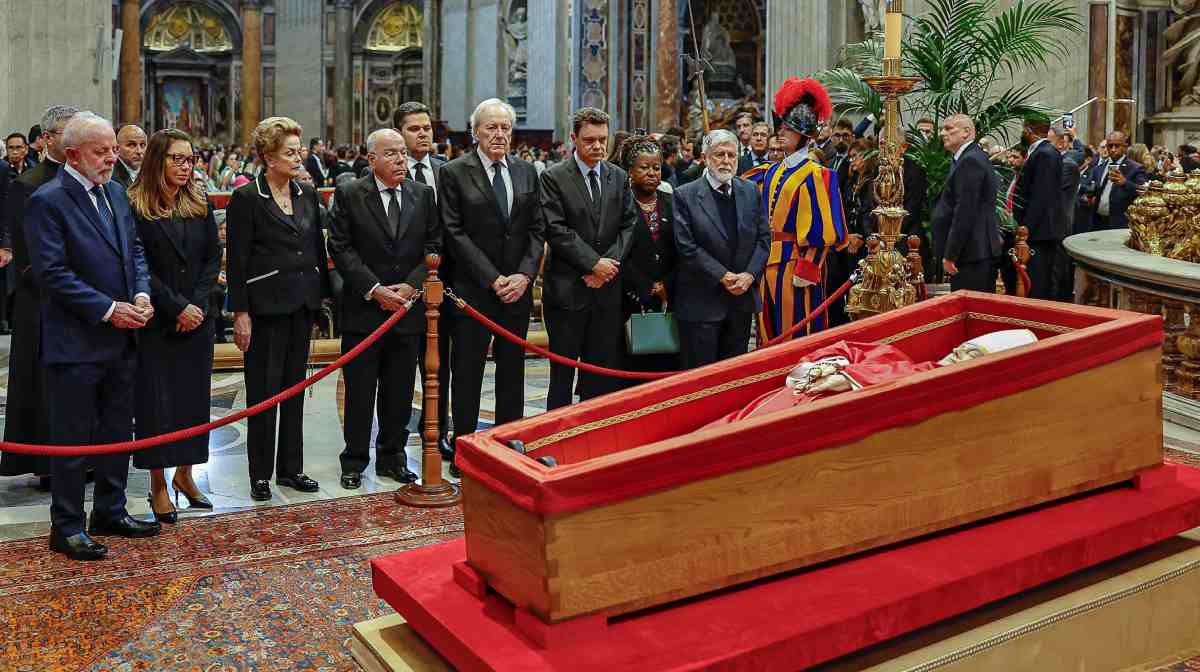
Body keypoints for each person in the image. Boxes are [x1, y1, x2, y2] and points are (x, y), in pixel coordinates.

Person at [26, 111, 159, 560]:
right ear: (72, 154)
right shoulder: (48, 200)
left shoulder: (118, 193)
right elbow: (52, 274)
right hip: (76, 341)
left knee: (117, 429)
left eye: (113, 150)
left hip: (123, 338)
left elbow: (135, 251)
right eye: (101, 152)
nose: (111, 158)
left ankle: (110, 509)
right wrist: (108, 310)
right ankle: (66, 525)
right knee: (73, 439)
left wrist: (140, 294)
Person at [327, 128, 438, 489]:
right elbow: (341, 248)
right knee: (360, 392)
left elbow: (435, 244)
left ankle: (393, 457)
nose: (400, 160)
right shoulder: (350, 194)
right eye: (391, 154)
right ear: (371, 159)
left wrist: (413, 284)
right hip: (365, 310)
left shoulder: (422, 195)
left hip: (407, 309)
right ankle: (355, 460)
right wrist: (374, 289)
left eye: (403, 153)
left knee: (400, 390)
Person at [226, 117, 330, 502]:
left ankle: (291, 468)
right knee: (264, 394)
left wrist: (320, 300)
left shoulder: (306, 193)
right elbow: (236, 261)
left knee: (295, 391)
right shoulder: (248, 198)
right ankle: (260, 473)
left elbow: (316, 250)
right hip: (265, 307)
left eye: (299, 149)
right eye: (290, 151)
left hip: (301, 304)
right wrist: (240, 313)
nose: (298, 156)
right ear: (268, 157)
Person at [441, 99, 545, 472]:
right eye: (491, 128)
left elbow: (537, 229)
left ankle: (507, 442)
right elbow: (454, 233)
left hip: (516, 291)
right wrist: (492, 277)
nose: (499, 134)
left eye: (505, 128)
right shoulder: (454, 172)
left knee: (512, 370)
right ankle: (465, 447)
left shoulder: (527, 172)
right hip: (472, 292)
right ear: (475, 132)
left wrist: (523, 276)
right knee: (467, 371)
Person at [126, 128, 222, 522]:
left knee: (193, 402)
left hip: (198, 320)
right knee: (157, 406)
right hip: (158, 321)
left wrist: (197, 306)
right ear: (157, 161)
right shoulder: (135, 204)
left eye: (189, 159)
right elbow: (138, 264)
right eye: (176, 159)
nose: (185, 167)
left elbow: (211, 259)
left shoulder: (198, 201)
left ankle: (186, 475)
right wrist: (177, 307)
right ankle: (158, 486)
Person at [708, 329, 1037, 426]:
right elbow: (848, 349)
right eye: (964, 348)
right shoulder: (896, 358)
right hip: (793, 397)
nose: (958, 355)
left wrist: (850, 380)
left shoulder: (930, 383)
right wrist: (831, 366)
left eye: (973, 356)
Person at [539, 107, 637, 408]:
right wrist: (593, 264)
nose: (597, 146)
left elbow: (629, 223)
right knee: (562, 376)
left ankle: (594, 437)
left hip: (606, 291)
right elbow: (556, 229)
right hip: (567, 290)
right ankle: (554, 437)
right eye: (589, 140)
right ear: (574, 139)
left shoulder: (618, 177)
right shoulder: (554, 177)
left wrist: (606, 267)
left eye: (602, 140)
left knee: (601, 375)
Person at [0, 106, 77, 484]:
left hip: (84, 301)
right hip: (43, 299)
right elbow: (29, 253)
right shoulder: (28, 184)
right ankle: (48, 463)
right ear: (46, 139)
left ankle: (85, 457)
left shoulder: (87, 180)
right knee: (45, 382)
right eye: (66, 133)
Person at [757, 77, 847, 342]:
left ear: (804, 135)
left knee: (796, 330)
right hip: (766, 262)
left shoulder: (817, 174)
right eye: (781, 128)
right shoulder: (772, 171)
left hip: (795, 263)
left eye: (788, 129)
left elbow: (824, 230)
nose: (780, 133)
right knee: (767, 331)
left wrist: (808, 269)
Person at [673, 129, 770, 368]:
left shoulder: (749, 190)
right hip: (702, 302)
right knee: (701, 379)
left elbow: (763, 238)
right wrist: (723, 276)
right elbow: (686, 247)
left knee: (734, 378)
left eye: (731, 155)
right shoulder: (685, 195)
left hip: (741, 301)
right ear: (705, 157)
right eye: (719, 155)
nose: (726, 161)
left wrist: (749, 275)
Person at [393, 100, 453, 458]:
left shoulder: (448, 171)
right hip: (400, 286)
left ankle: (440, 432)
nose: (423, 134)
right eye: (414, 128)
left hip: (443, 287)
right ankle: (395, 441)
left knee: (439, 366)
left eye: (427, 128)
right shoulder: (389, 170)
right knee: (400, 372)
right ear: (399, 133)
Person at [616, 134, 678, 374]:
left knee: (663, 370)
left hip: (667, 300)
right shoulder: (620, 203)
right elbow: (618, 251)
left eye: (656, 167)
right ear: (630, 171)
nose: (652, 173)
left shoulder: (673, 202)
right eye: (644, 167)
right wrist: (643, 286)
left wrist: (666, 285)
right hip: (629, 298)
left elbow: (682, 250)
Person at [932, 114, 1003, 292]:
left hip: (972, 252)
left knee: (973, 313)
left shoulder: (971, 159)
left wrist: (951, 255)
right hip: (971, 252)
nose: (942, 133)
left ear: (966, 132)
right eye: (942, 129)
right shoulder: (965, 158)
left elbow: (965, 211)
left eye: (949, 129)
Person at [1013, 116, 1065, 300]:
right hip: (1037, 231)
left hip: (1039, 233)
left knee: (1037, 283)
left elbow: (1041, 197)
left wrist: (1026, 229)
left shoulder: (1045, 153)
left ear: (1028, 130)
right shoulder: (1041, 152)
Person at [1081, 131, 1147, 231]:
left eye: (1117, 146)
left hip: (1120, 224)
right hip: (1097, 222)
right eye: (1110, 146)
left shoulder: (1135, 168)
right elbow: (1090, 189)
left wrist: (1125, 183)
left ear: (1125, 146)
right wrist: (1087, 197)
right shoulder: (1099, 168)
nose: (1113, 149)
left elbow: (1144, 192)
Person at [112, 124, 147, 188]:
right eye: (131, 145)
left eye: (142, 145)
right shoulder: (111, 176)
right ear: (117, 148)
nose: (139, 151)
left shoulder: (150, 173)